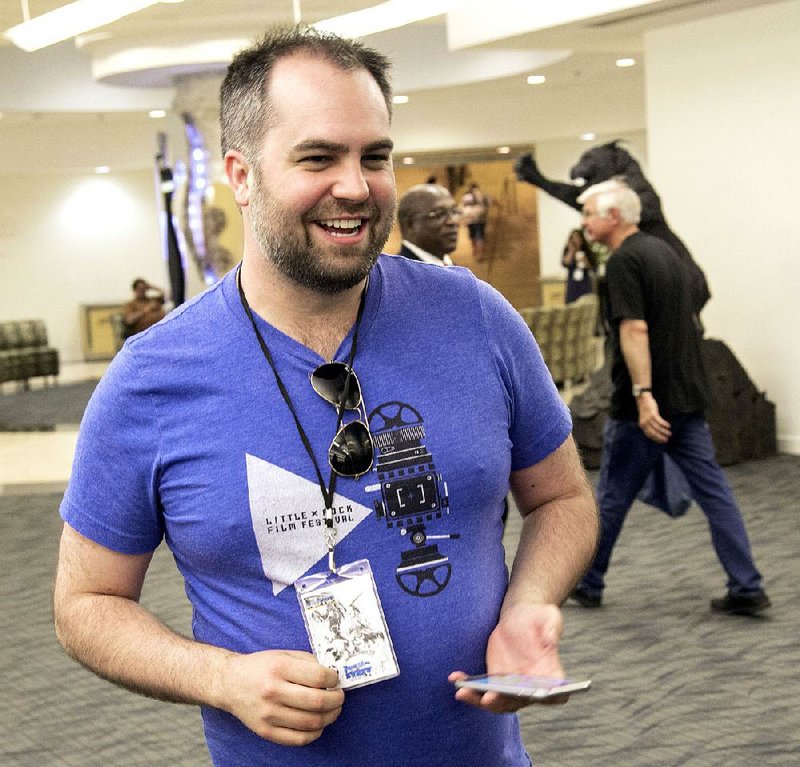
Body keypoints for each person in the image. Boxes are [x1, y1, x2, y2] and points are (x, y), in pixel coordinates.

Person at [53, 26, 598, 767]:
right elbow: (85, 604)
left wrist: (531, 600)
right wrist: (222, 677)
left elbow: (562, 498)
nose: (355, 185)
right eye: (318, 156)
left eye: (375, 156)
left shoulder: (473, 316)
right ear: (241, 176)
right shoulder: (152, 378)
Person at [569, 179, 770, 616]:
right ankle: (747, 584)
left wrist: (643, 395)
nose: (584, 222)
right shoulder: (665, 254)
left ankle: (589, 581)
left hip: (647, 405)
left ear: (614, 217)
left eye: (590, 214)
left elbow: (634, 329)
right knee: (715, 491)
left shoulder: (624, 262)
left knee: (611, 497)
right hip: (686, 398)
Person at [396, 183, 459, 266]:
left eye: (454, 212)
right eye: (439, 214)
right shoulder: (397, 276)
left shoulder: (455, 269)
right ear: (410, 225)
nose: (452, 222)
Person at [561, 228, 596, 304]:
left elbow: (593, 267)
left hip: (584, 283)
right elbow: (565, 263)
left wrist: (585, 260)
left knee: (586, 304)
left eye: (577, 238)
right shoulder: (568, 251)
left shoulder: (587, 251)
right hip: (572, 284)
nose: (575, 240)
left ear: (582, 239)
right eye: (573, 238)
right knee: (571, 306)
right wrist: (571, 250)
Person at [460, 182, 488, 261]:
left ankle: (474, 250)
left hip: (470, 220)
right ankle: (480, 254)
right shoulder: (482, 195)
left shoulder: (465, 196)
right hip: (480, 219)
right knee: (480, 237)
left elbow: (461, 208)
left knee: (472, 236)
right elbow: (489, 202)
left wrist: (463, 219)